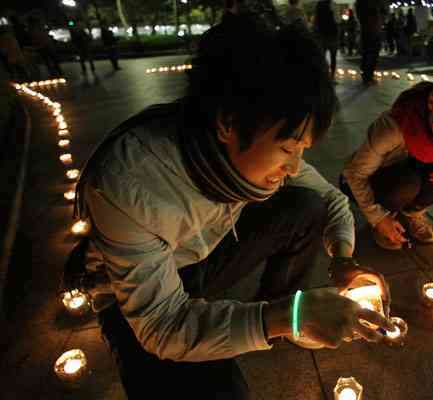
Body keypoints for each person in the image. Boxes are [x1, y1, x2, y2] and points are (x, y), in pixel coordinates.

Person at [71, 17, 394, 398]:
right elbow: (162, 324)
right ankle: (281, 317)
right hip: (132, 297)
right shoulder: (129, 184)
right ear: (227, 122)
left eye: (301, 150)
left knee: (306, 206)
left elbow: (331, 199)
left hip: (203, 257)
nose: (293, 166)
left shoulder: (251, 139)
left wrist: (343, 259)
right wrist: (281, 317)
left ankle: (281, 317)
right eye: (289, 148)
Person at [340, 56, 433, 250]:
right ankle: (386, 218)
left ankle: (410, 213)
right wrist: (378, 218)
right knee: (407, 184)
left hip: (410, 173)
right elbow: (355, 173)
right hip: (373, 179)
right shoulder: (393, 128)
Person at [356, 0, 387, 84]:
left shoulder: (362, 5)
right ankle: (368, 76)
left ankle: (366, 75)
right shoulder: (373, 5)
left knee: (367, 53)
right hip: (372, 30)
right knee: (372, 54)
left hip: (367, 30)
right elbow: (382, 13)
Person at [314, 0, 339, 79]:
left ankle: (323, 75)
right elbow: (337, 20)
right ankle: (331, 76)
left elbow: (316, 19)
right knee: (333, 57)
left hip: (322, 33)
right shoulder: (333, 5)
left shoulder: (319, 4)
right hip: (332, 34)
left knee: (322, 56)